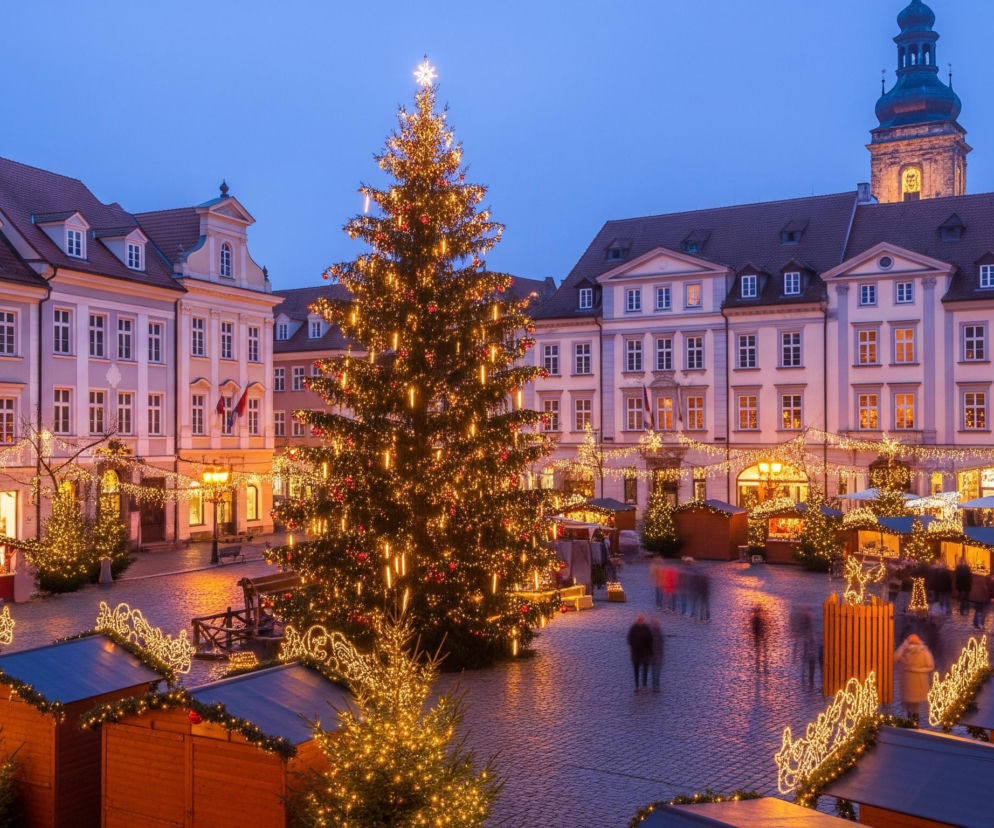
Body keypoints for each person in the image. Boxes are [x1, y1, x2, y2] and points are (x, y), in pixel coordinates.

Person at [894, 633, 935, 722]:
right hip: (918, 683)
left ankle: (911, 722)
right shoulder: (924, 651)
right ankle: (914, 722)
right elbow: (930, 666)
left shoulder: (905, 651)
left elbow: (894, 658)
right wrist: (917, 670)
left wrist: (902, 646)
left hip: (908, 683)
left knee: (909, 704)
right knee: (915, 705)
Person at [627, 614, 653, 692]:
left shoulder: (647, 628)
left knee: (645, 671)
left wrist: (650, 652)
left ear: (643, 620)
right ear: (637, 620)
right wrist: (634, 645)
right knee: (636, 671)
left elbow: (650, 641)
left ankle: (644, 686)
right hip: (636, 654)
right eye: (639, 620)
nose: (640, 621)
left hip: (645, 654)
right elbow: (629, 639)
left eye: (641, 620)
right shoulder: (633, 628)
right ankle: (637, 686)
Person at [748, 604, 770, 674]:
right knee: (763, 652)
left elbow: (753, 628)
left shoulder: (755, 618)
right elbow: (766, 627)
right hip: (761, 636)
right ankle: (763, 667)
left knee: (759, 652)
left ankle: (759, 667)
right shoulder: (763, 618)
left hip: (758, 636)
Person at [648, 617, 664, 693]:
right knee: (656, 671)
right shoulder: (659, 632)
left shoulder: (650, 633)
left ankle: (655, 686)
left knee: (655, 671)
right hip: (656, 655)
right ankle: (656, 686)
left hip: (654, 655)